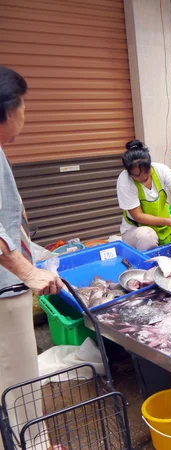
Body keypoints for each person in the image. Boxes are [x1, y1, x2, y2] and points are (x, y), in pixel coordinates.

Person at [0, 66, 64, 450]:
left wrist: (32, 255)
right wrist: (26, 271)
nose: (26, 114)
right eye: (23, 106)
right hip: (4, 293)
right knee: (18, 381)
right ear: (6, 110)